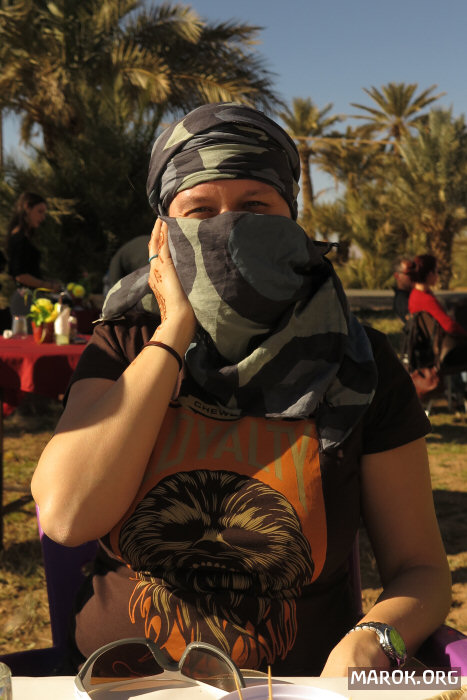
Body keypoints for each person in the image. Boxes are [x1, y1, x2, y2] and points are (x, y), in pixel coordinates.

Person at [32, 103, 451, 677]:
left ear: (291, 219)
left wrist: (374, 641)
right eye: (200, 211)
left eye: (256, 207)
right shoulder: (126, 342)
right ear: (163, 234)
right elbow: (66, 513)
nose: (227, 228)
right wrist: (173, 333)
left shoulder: (358, 361)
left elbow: (422, 569)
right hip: (120, 685)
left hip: (299, 689)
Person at [6, 192, 61, 316]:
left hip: (30, 298)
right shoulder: (19, 238)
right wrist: (47, 285)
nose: (42, 217)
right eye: (39, 212)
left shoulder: (24, 237)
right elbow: (20, 275)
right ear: (27, 208)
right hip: (25, 301)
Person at [408, 254, 467, 337]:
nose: (438, 275)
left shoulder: (416, 294)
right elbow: (449, 326)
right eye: (437, 271)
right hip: (441, 340)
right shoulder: (426, 299)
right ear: (430, 274)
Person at [392, 257, 414, 323]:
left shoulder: (411, 295)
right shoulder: (402, 301)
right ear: (397, 276)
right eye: (409, 274)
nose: (414, 276)